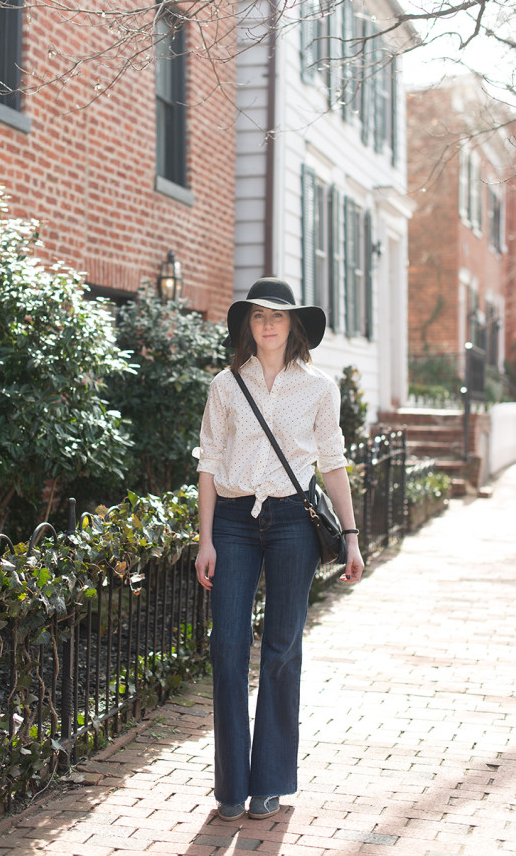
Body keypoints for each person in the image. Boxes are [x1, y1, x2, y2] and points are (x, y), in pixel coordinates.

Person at [195, 277, 364, 822]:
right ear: (249, 325)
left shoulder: (318, 387)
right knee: (227, 648)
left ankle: (269, 780)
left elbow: (332, 461)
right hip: (234, 522)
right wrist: (205, 539)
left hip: (294, 519)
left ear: (293, 326)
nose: (268, 324)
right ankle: (231, 786)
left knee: (282, 648)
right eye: (259, 316)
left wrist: (352, 538)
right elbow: (208, 463)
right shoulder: (226, 385)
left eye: (279, 316)